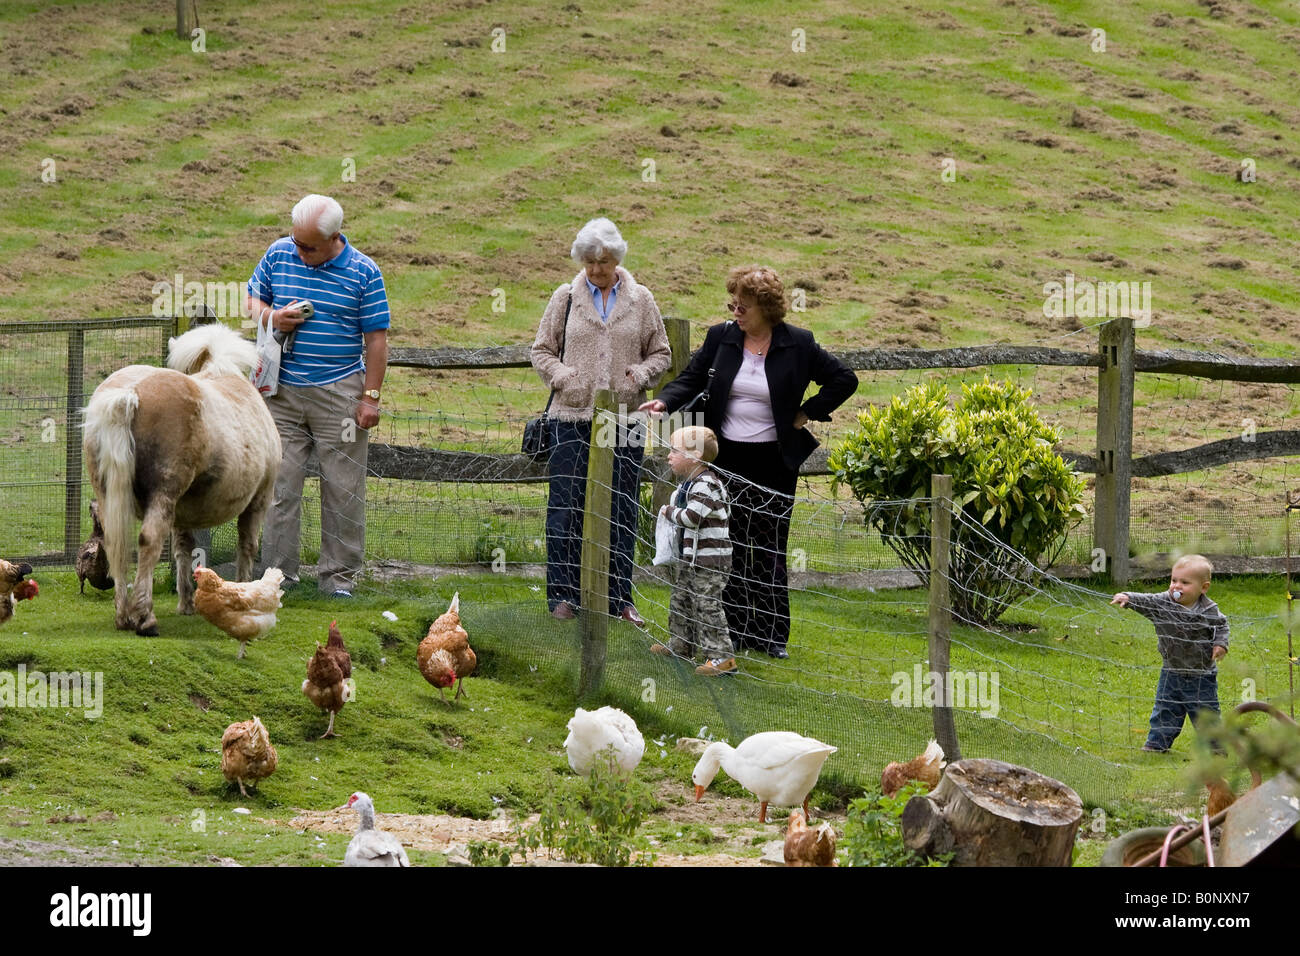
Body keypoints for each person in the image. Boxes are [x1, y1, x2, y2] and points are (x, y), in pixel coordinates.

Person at [641, 266, 857, 657]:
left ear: (767, 308)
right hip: (726, 458)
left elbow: (844, 379)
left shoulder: (799, 343)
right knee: (728, 545)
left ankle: (772, 635)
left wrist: (806, 412)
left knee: (771, 545)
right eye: (733, 304)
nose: (736, 311)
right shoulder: (722, 337)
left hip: (775, 459)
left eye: (744, 306)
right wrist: (665, 400)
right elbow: (691, 378)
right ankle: (735, 631)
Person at [245, 194, 390, 597]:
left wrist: (370, 398)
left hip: (340, 394)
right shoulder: (278, 255)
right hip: (282, 394)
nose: (298, 250)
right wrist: (272, 316)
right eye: (295, 241)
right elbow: (252, 299)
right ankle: (277, 578)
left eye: (307, 246)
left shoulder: (364, 272)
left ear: (333, 239)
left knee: (343, 488)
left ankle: (338, 580)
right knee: (279, 486)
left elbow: (376, 339)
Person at [530, 217, 671, 625]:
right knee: (566, 508)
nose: (596, 270)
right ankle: (563, 596)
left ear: (617, 259)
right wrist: (561, 376)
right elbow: (542, 350)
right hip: (571, 416)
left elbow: (660, 352)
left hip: (624, 419)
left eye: (604, 262)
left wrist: (641, 376)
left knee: (621, 509)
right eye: (590, 262)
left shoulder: (641, 300)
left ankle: (619, 600)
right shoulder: (565, 297)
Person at [1111, 554, 1229, 753]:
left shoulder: (1209, 609)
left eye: (1185, 582)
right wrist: (1129, 598)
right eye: (1174, 580)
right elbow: (1147, 601)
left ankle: (1215, 748)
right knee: (1165, 709)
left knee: (1206, 713)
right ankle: (1157, 744)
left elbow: (1222, 626)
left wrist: (1220, 644)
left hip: (1201, 674)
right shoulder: (1164, 603)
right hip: (1171, 670)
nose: (1176, 586)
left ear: (1204, 587)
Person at [652, 426, 735, 676]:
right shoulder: (690, 484)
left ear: (695, 455)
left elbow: (693, 517)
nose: (669, 456)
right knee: (682, 600)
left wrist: (668, 511)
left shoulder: (706, 484)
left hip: (710, 562)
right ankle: (681, 645)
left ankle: (722, 658)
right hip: (692, 559)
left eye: (675, 451)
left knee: (707, 606)